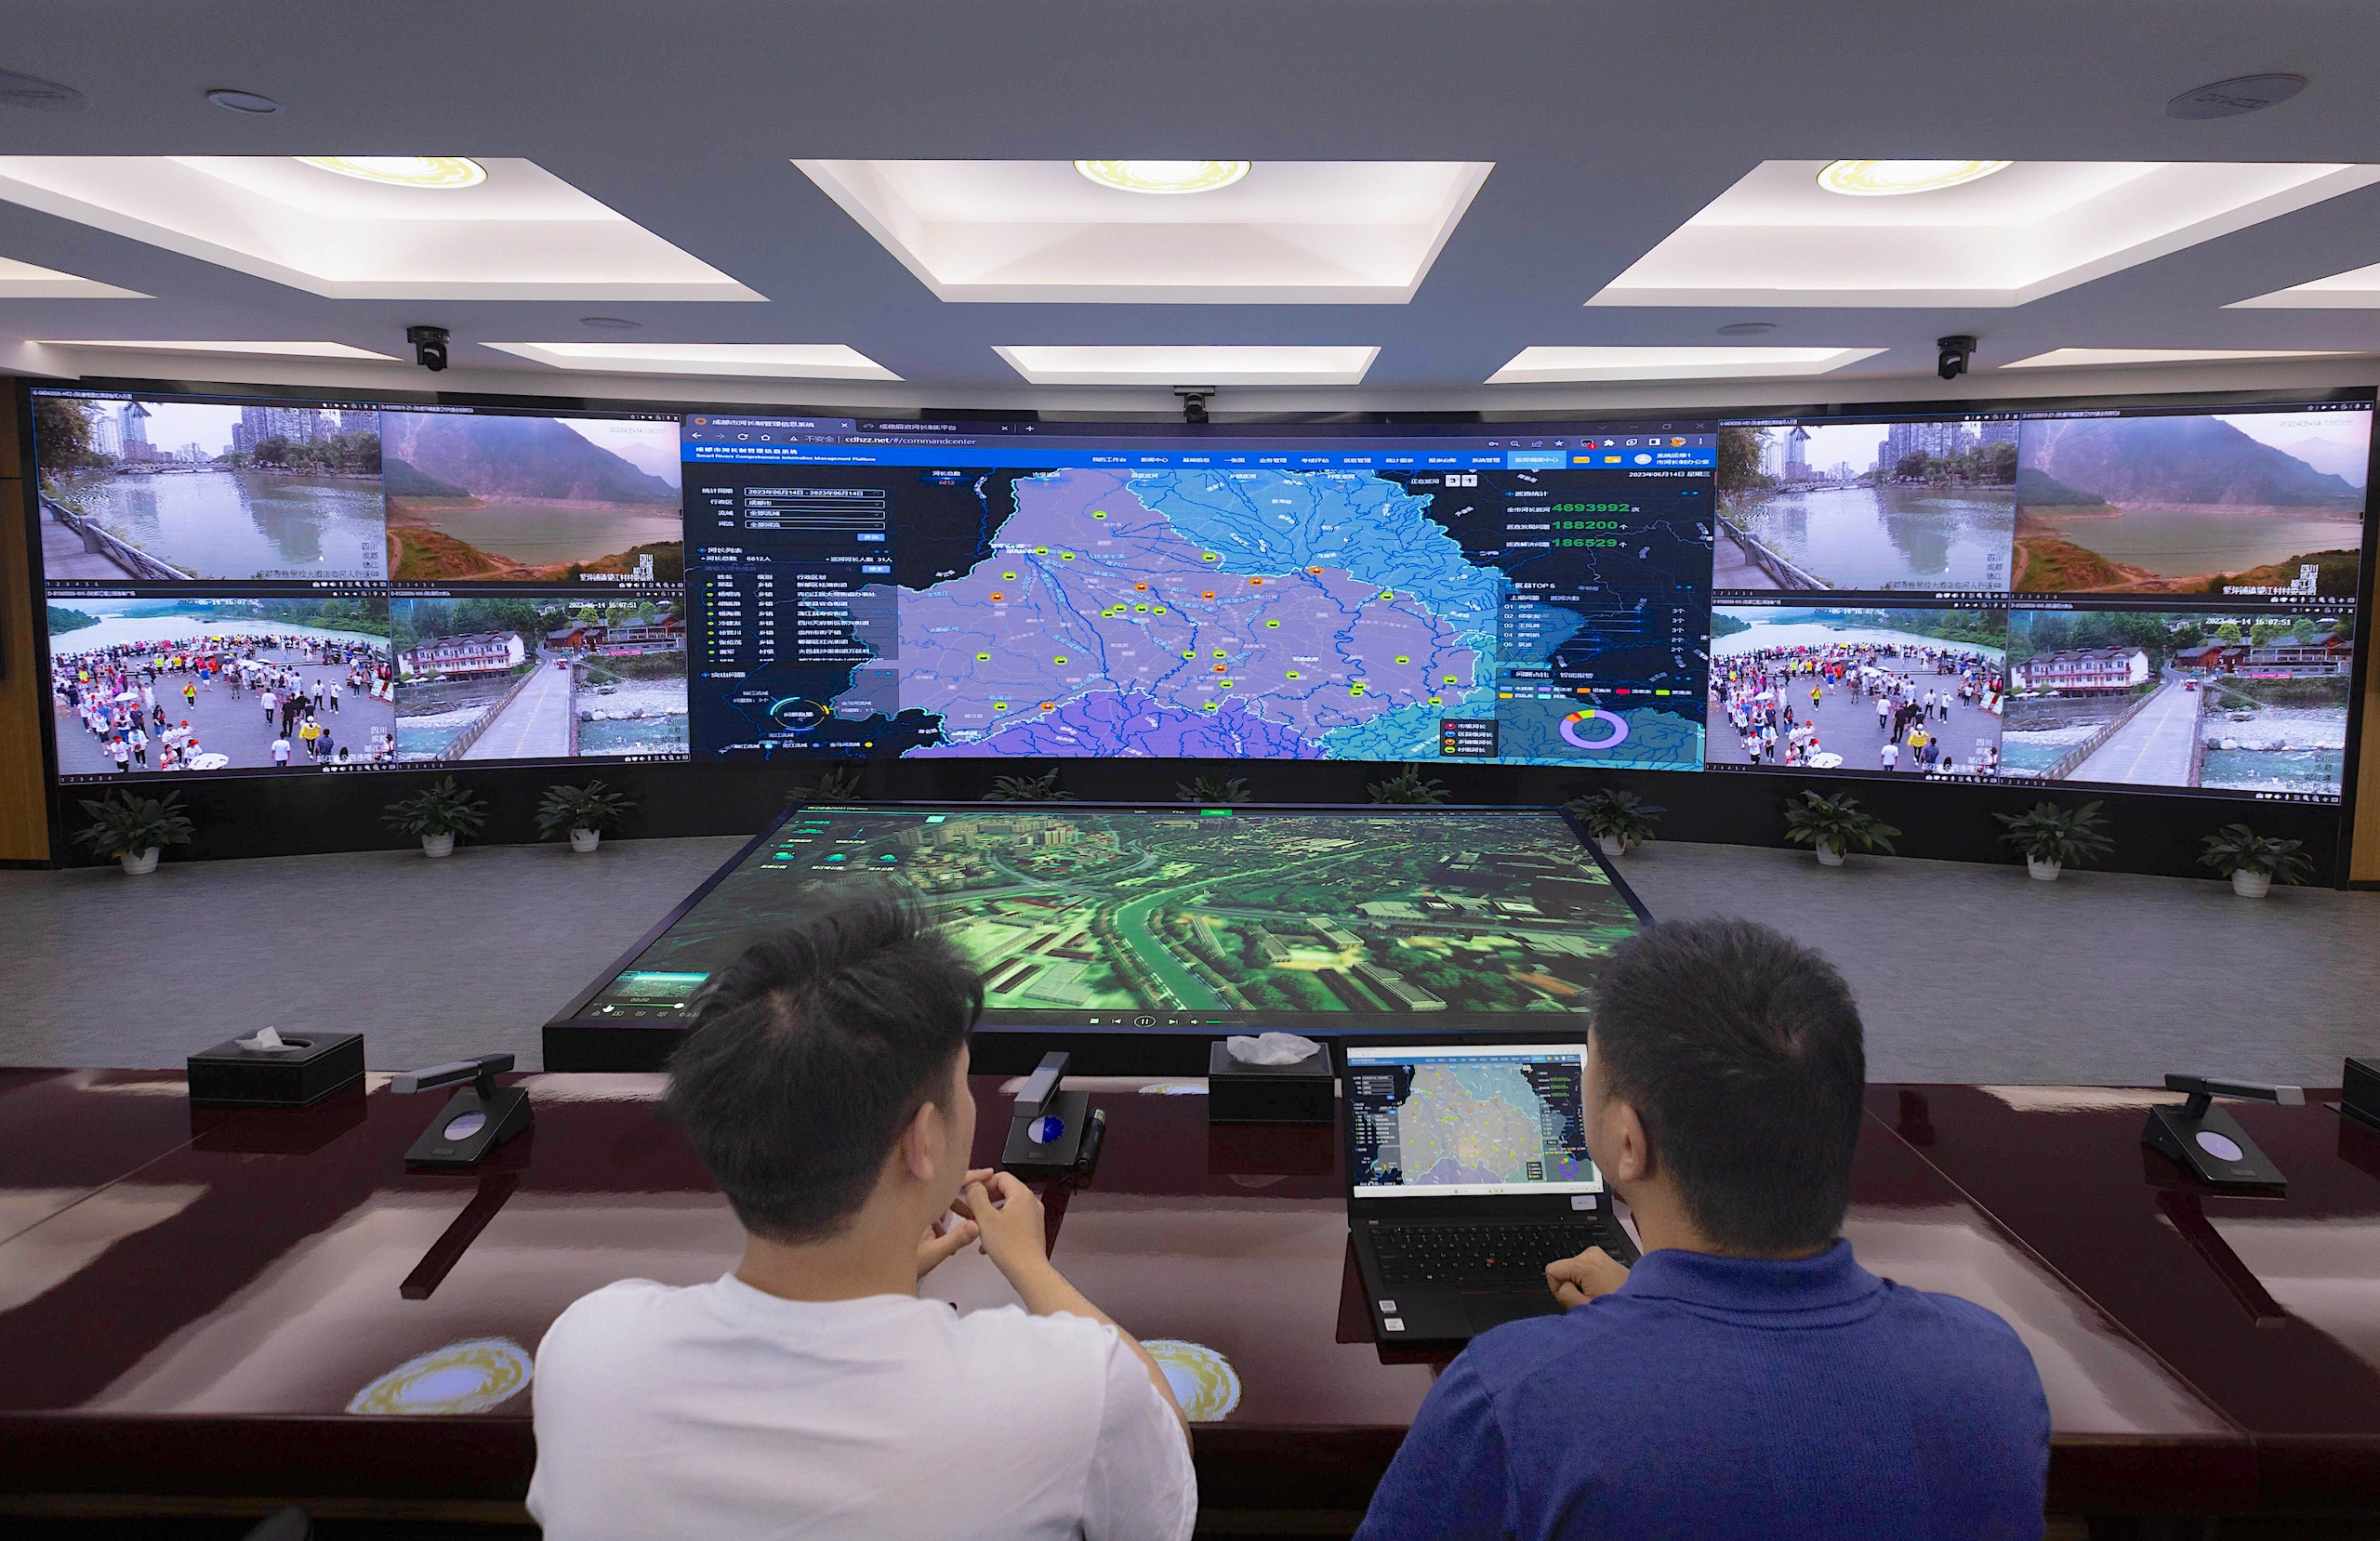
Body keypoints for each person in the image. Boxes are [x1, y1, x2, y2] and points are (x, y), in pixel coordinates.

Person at [1356, 920, 2048, 1541]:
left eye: (1588, 1072)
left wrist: (1638, 1336)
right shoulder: (1992, 1368)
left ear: (1629, 1143)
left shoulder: (1513, 1396)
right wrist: (1648, 1319)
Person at [527, 901, 1197, 1541]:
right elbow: (1163, 1462)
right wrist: (1027, 1263)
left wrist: (886, 1263)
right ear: (924, 1141)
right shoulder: (1071, 1391)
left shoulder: (588, 1347)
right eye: (962, 1084)